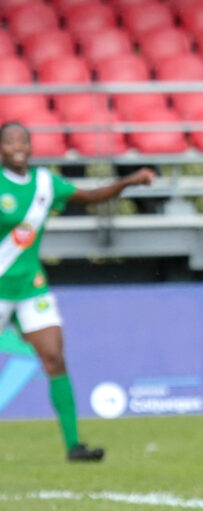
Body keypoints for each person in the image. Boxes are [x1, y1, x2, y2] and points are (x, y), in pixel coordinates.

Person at [0, 121, 155, 461]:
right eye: (10, 141)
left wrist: (129, 181)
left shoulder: (44, 183)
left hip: (30, 285)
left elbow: (90, 197)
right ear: (0, 148)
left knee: (54, 357)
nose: (18, 147)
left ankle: (74, 446)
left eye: (24, 141)